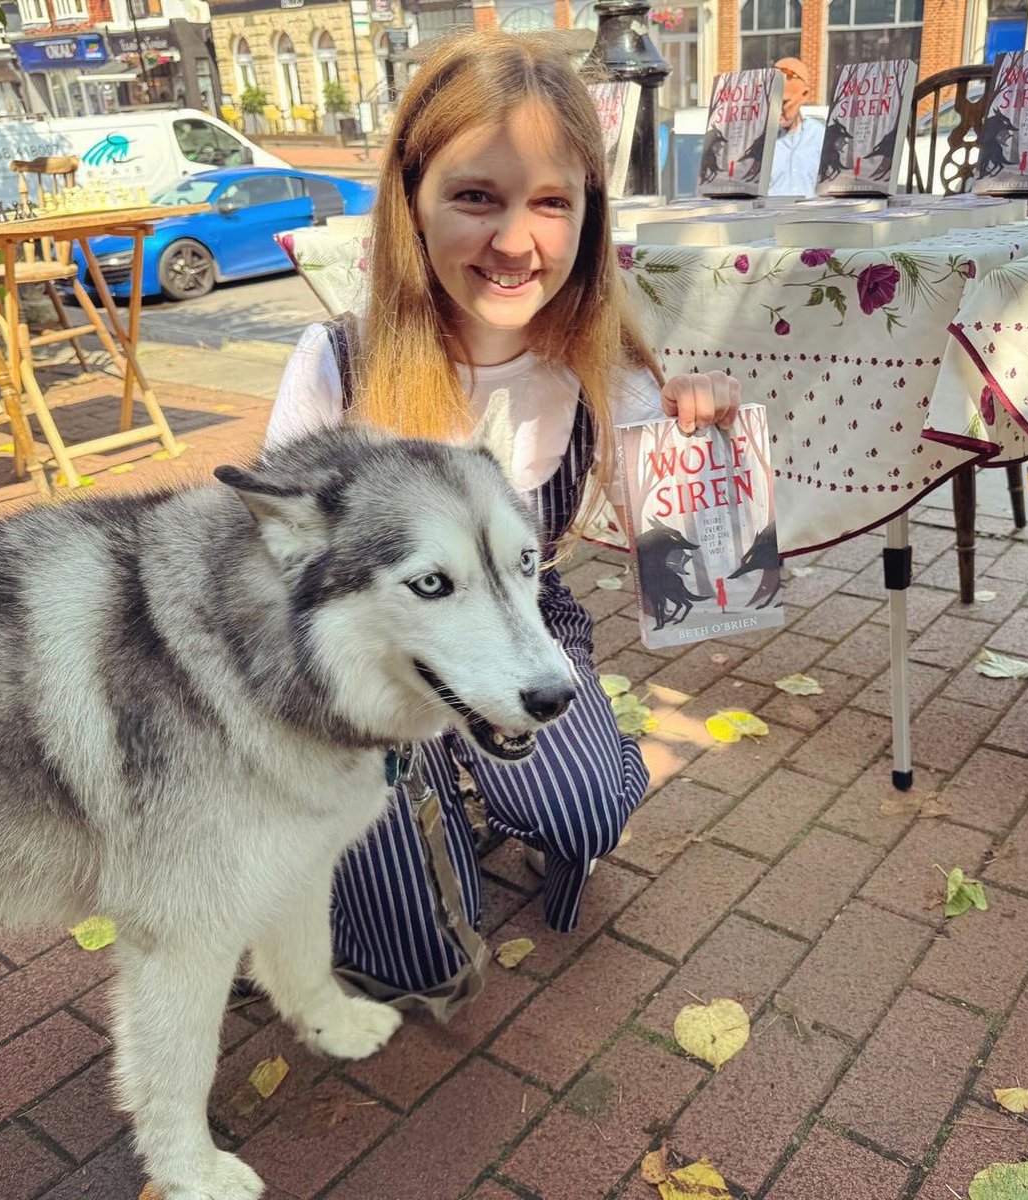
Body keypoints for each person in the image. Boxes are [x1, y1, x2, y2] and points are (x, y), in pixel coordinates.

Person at [265, 29, 741, 1012]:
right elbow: (271, 579)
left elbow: (698, 530)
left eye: (550, 202)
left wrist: (702, 420)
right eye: (476, 196)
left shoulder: (600, 370)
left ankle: (477, 777)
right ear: (412, 201)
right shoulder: (337, 365)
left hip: (520, 627)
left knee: (584, 811)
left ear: (587, 217)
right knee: (418, 967)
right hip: (368, 664)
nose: (516, 241)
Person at [768, 56, 825, 198]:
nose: (776, 109)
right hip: (770, 218)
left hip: (813, 217)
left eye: (783, 102)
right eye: (771, 102)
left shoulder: (821, 137)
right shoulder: (758, 141)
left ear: (804, 95)